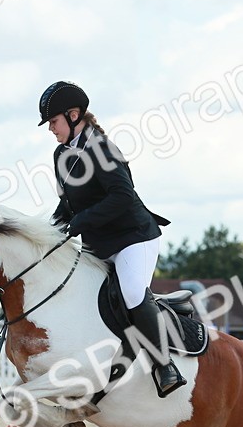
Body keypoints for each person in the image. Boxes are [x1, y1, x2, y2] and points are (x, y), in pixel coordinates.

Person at [37, 80, 185, 398]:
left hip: (133, 239)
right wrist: (49, 231)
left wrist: (81, 221)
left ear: (74, 115)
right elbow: (68, 203)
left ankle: (164, 365)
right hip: (98, 243)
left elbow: (122, 196)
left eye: (54, 121)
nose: (51, 129)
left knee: (132, 293)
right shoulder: (62, 153)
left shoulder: (102, 149)